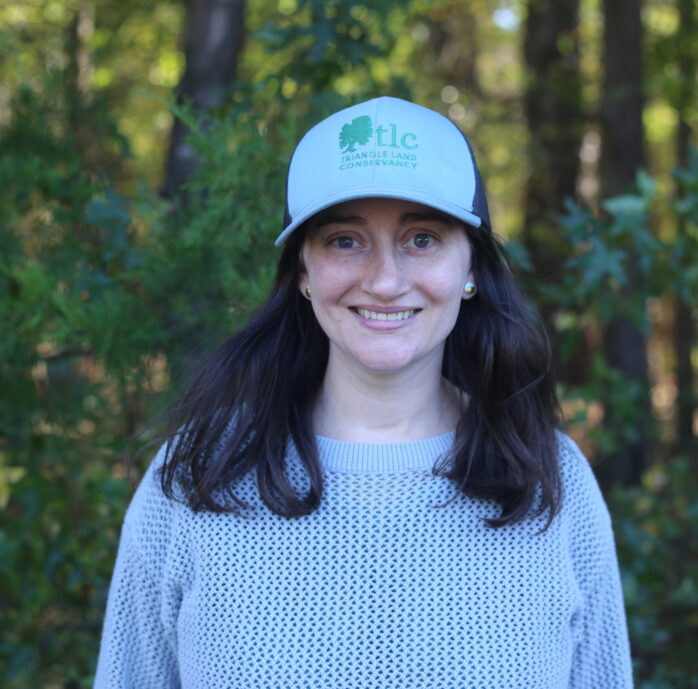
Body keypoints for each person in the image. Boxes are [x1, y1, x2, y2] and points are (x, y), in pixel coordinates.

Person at [94, 97, 633, 688]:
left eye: (421, 239)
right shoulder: (198, 472)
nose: (384, 281)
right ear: (303, 272)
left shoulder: (549, 477)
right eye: (345, 241)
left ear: (471, 268)